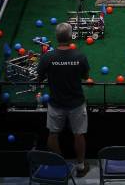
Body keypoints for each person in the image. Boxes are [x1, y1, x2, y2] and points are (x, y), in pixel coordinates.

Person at [37, 23, 90, 177]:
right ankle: (80, 166)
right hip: (76, 103)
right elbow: (86, 77)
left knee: (53, 134)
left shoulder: (47, 57)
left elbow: (39, 79)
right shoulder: (80, 56)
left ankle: (60, 165)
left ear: (56, 37)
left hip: (56, 103)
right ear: (71, 37)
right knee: (79, 134)